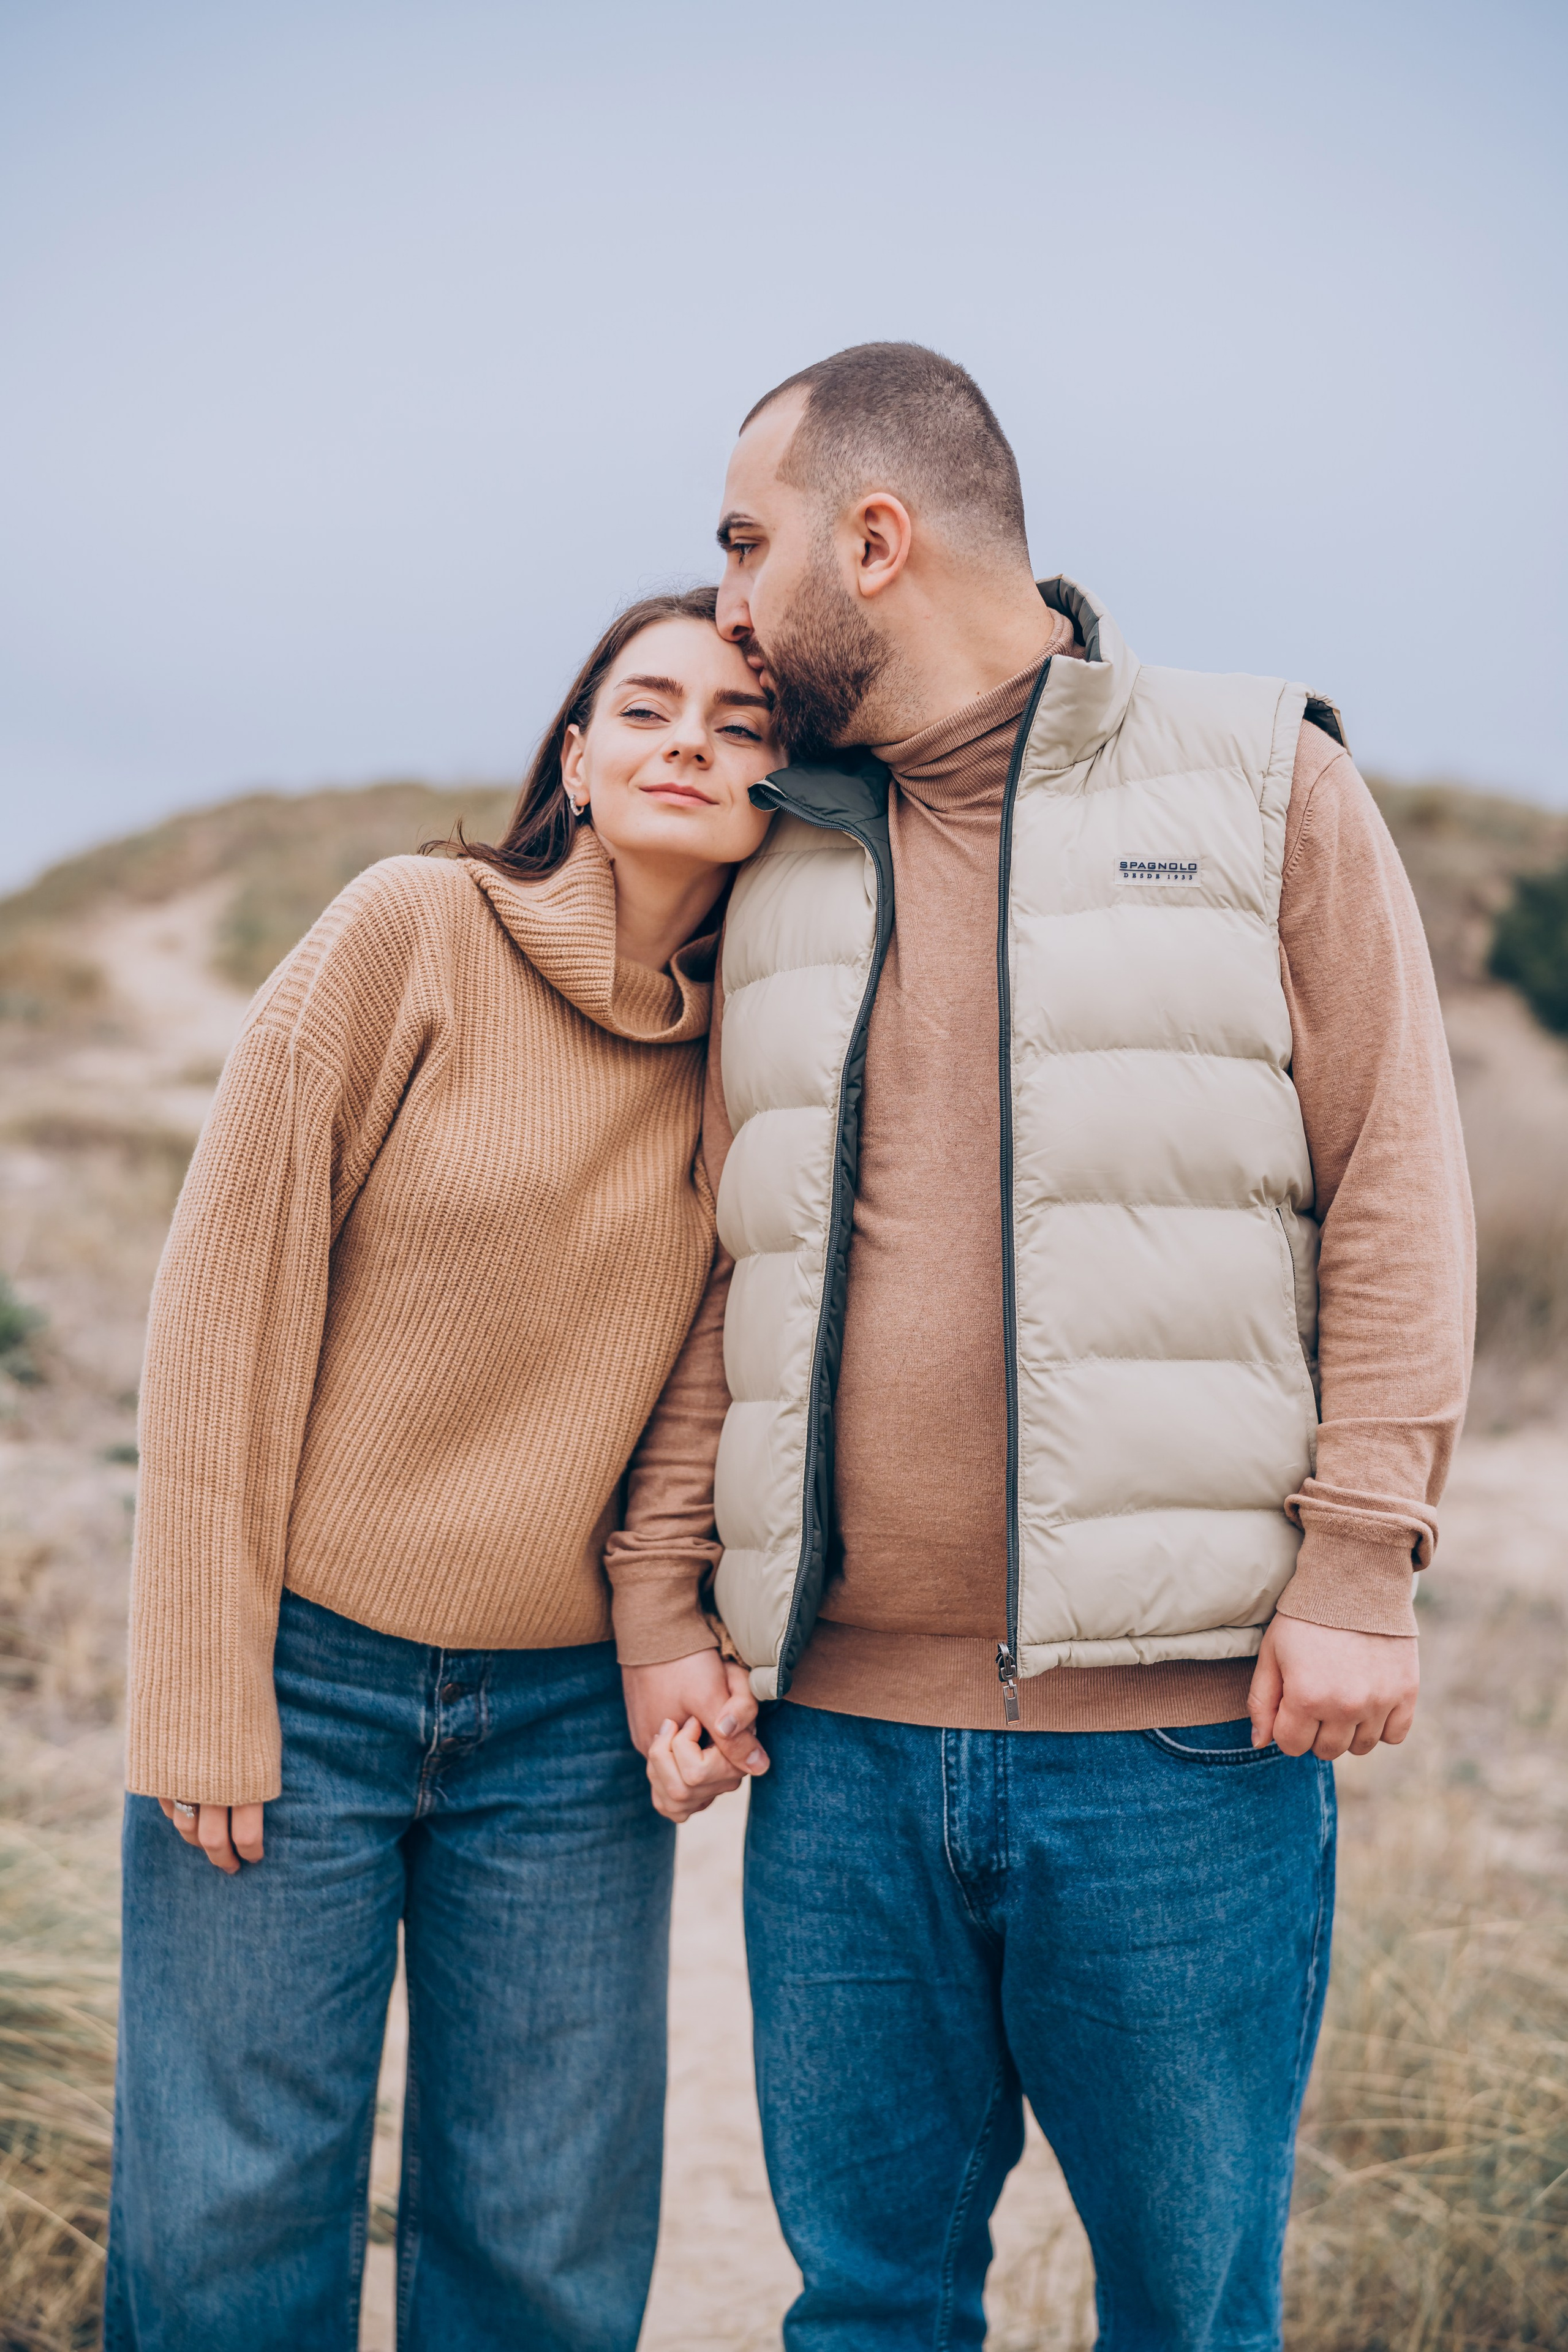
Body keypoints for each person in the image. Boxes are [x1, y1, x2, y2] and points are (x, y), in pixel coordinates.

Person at [625, 345, 1474, 2349]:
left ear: (879, 539)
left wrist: (1364, 1559)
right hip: (834, 1754)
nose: (729, 600)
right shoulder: (778, 852)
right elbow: (715, 1268)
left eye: (749, 545)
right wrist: (664, 1592)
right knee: (867, 2309)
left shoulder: (1264, 779)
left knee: (1189, 2315)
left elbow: (1398, 1188)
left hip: (1179, 1755)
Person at [106, 586, 775, 2352]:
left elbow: (708, 1385)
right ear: (575, 753)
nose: (691, 739)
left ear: (793, 794)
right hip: (298, 1676)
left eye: (744, 721)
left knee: (542, 2246)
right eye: (646, 706)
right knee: (230, 2215)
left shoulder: (760, 1058)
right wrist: (197, 1683)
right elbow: (224, 1307)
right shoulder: (412, 931)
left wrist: (668, 1637)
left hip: (562, 1737)